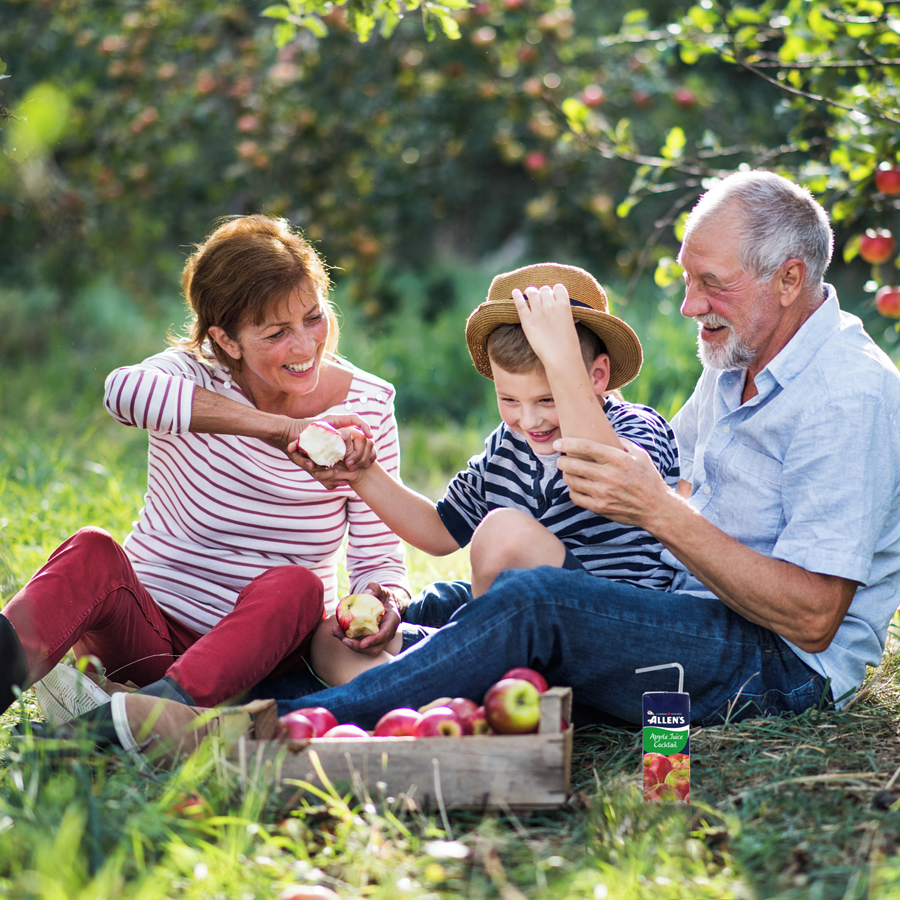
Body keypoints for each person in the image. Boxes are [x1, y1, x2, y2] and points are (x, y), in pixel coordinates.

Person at [49, 169, 900, 760]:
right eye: (687, 282)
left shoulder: (848, 396)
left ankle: (258, 730)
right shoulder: (737, 363)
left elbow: (814, 616)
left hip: (774, 665)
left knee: (534, 602)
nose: (688, 307)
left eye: (709, 284)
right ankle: (182, 697)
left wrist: (658, 511)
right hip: (680, 614)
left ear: (789, 278)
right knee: (401, 611)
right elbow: (643, 494)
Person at [0, 214, 409, 721]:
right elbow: (122, 392)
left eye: (314, 316)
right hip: (148, 634)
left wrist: (381, 599)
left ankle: (144, 724)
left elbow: (379, 556)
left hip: (258, 652)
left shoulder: (368, 404)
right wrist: (277, 430)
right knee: (91, 550)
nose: (305, 345)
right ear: (228, 341)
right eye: (277, 332)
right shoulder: (193, 376)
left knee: (298, 585)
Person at [306, 263, 679, 686]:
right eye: (509, 399)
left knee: (505, 534)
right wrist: (361, 474)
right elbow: (439, 532)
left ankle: (459, 682)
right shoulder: (508, 444)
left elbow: (604, 477)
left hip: (613, 633)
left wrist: (562, 362)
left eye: (547, 397)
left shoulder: (636, 430)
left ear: (595, 376)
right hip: (518, 635)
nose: (529, 419)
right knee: (329, 637)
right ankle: (418, 692)